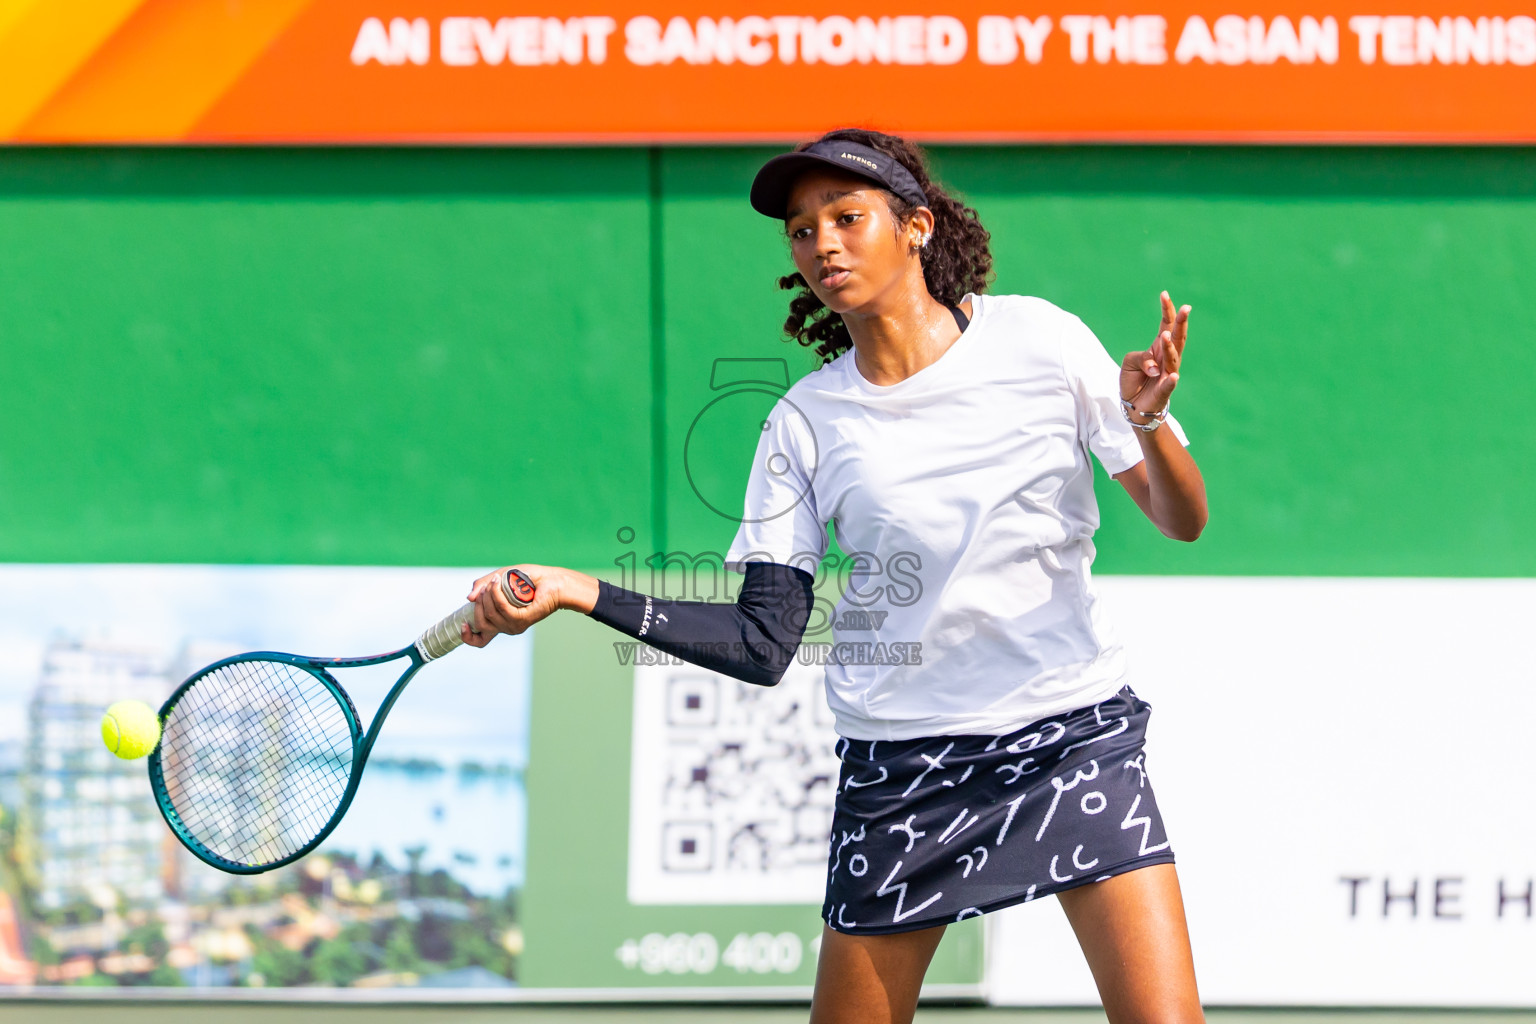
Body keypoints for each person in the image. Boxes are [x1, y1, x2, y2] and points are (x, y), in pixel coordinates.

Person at [458, 127, 1208, 1024]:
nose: (823, 244)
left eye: (847, 218)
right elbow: (761, 642)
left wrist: (1146, 419)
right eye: (802, 230)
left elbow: (1182, 518)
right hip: (904, 763)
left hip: (1070, 735)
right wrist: (582, 590)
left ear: (918, 226)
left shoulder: (1042, 340)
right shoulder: (805, 422)